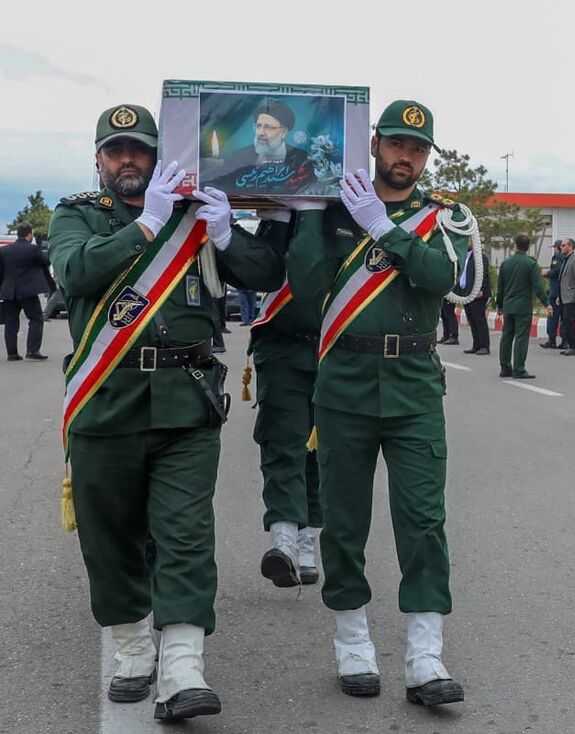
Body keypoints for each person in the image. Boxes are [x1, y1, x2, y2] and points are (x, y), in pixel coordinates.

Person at [48, 104, 285, 721]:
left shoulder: (194, 216)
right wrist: (147, 225)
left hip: (187, 396)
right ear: (98, 159)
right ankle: (131, 647)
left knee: (184, 531)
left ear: (159, 155)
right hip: (106, 396)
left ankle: (183, 666)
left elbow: (265, 273)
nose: (128, 160)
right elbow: (75, 272)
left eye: (140, 149)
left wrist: (228, 230)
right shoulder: (79, 215)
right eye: (116, 150)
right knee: (111, 531)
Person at [285, 99, 467, 706]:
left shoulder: (442, 217)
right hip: (345, 383)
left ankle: (424, 654)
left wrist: (383, 227)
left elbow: (444, 279)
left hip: (414, 382)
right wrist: (314, 209)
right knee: (344, 521)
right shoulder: (336, 211)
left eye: (417, 150)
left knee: (423, 523)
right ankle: (353, 642)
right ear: (374, 145)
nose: (405, 158)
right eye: (396, 145)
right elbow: (309, 293)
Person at [246, 213, 324, 590]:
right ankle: (284, 539)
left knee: (322, 450)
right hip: (282, 345)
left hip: (335, 349)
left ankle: (307, 538)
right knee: (282, 441)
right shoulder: (277, 216)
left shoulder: (352, 209)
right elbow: (259, 270)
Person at [212, 99, 313, 195]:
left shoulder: (302, 160)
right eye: (258, 126)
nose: (260, 133)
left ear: (284, 132)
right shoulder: (238, 158)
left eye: (268, 127)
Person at [496, 233, 547, 379]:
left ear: (515, 245)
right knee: (521, 337)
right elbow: (538, 287)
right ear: (528, 247)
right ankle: (519, 368)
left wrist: (499, 304)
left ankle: (505, 367)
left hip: (508, 305)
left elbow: (500, 287)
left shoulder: (506, 263)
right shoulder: (531, 264)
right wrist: (546, 303)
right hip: (523, 306)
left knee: (506, 336)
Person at [1, 223, 53, 361]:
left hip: (9, 291)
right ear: (29, 235)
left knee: (10, 322)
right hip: (28, 291)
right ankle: (32, 351)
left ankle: (12, 354)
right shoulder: (33, 249)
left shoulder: (4, 251)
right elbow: (46, 262)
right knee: (36, 318)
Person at [456, 240, 490, 355]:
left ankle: (484, 346)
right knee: (472, 320)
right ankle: (476, 345)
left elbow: (484, 275)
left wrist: (482, 290)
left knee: (479, 320)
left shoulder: (480, 258)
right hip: (466, 293)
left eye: (468, 240)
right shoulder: (465, 257)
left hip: (477, 294)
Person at [557, 238, 575, 356]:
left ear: (570, 246)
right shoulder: (566, 260)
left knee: (569, 322)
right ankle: (568, 344)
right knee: (565, 322)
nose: (561, 247)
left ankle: (573, 346)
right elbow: (563, 279)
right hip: (564, 296)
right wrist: (559, 296)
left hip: (571, 297)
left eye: (563, 245)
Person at [540, 240, 564, 349]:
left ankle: (552, 339)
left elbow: (557, 271)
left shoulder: (557, 257)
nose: (553, 249)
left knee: (553, 316)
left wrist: (548, 273)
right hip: (557, 291)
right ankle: (561, 340)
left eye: (555, 247)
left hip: (555, 291)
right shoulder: (562, 257)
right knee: (560, 317)